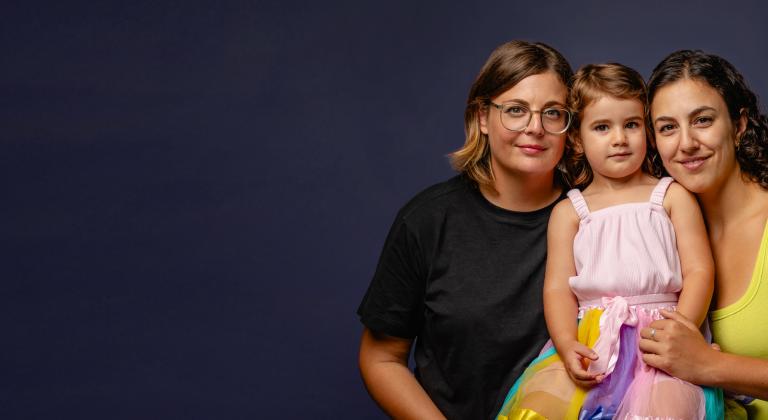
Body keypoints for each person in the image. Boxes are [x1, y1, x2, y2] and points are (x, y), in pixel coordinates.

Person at [356, 40, 574, 419]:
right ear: (483, 117)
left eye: (553, 113)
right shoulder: (428, 220)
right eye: (515, 110)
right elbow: (381, 359)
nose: (535, 128)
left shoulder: (600, 219)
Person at [496, 63, 720, 419]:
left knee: (665, 412)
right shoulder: (570, 212)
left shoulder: (671, 197)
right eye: (602, 127)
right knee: (538, 409)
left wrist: (684, 329)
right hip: (591, 339)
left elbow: (699, 269)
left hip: (660, 335)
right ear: (577, 140)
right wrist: (567, 343)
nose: (619, 138)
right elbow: (557, 288)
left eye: (631, 124)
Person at [641, 50, 768, 419]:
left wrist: (709, 366)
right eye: (667, 127)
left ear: (739, 123)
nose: (686, 144)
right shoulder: (654, 232)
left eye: (702, 120)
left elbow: (694, 363)